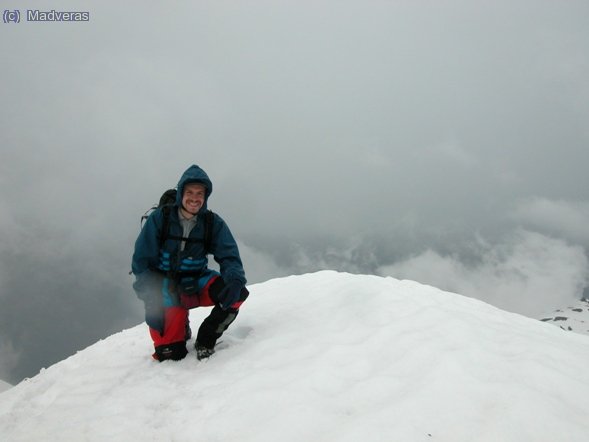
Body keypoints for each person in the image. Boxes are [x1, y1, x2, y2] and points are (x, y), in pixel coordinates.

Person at [132, 165, 248, 361]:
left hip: (197, 280)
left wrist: (235, 279)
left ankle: (206, 339)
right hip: (166, 287)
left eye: (200, 193)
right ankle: (179, 328)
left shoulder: (212, 223)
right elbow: (141, 260)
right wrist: (151, 297)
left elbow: (229, 256)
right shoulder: (161, 219)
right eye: (190, 192)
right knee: (170, 355)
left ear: (205, 196)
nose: (194, 198)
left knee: (236, 293)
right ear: (181, 194)